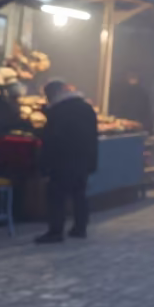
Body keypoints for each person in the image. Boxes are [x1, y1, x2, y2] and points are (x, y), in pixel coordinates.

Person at [35, 80, 98, 243]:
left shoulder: (58, 112)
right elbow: (93, 138)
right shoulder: (86, 108)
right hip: (83, 159)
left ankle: (55, 231)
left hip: (62, 160)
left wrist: (44, 165)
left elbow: (51, 140)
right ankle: (80, 227)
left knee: (56, 196)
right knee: (79, 194)